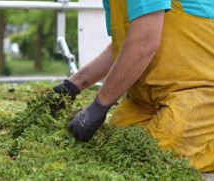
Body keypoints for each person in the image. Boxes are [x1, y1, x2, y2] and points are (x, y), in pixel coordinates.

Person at [54, 0, 214, 172]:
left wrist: (100, 105)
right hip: (144, 100)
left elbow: (144, 41)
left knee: (156, 159)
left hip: (198, 90)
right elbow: (127, 44)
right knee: (113, 147)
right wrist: (72, 85)